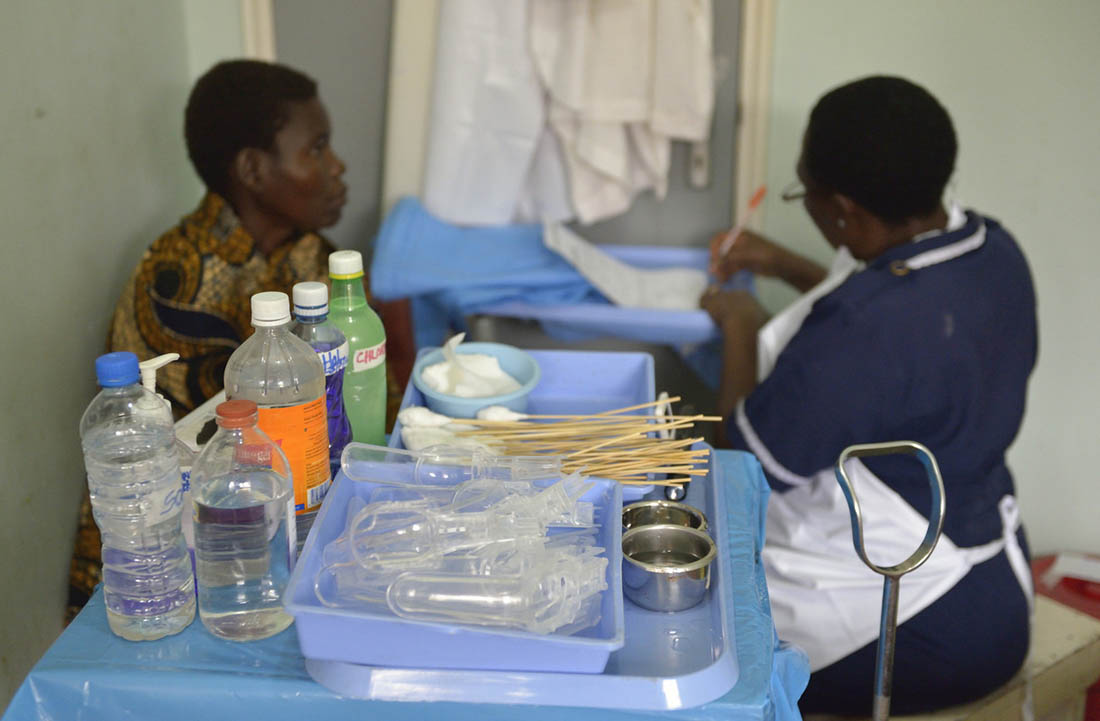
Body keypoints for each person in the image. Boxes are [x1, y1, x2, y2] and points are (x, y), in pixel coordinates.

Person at [701, 76, 1036, 715]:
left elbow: (745, 452)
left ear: (844, 212)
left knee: (706, 642)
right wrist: (788, 264)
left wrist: (740, 325)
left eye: (806, 194)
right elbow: (899, 311)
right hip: (995, 570)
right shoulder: (993, 250)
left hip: (919, 622)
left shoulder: (865, 329)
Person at [69, 59, 411, 620]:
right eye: (316, 149)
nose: (338, 167)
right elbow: (226, 450)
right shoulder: (177, 279)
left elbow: (370, 395)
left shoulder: (316, 255)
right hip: (183, 557)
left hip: (304, 509)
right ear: (253, 169)